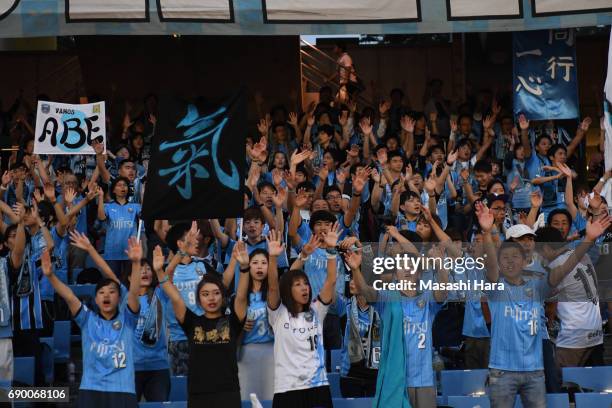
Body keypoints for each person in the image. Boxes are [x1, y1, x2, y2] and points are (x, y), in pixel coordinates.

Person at [475, 201, 611, 408]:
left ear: (524, 261)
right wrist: (487, 233)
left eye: (515, 257)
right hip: (502, 371)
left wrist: (589, 240)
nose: (510, 261)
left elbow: (565, 267)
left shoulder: (539, 284)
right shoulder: (496, 287)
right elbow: (492, 267)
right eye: (505, 258)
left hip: (534, 372)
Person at [43, 237, 143, 407]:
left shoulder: (127, 320)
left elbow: (133, 293)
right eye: (101, 292)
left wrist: (135, 263)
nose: (106, 295)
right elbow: (69, 296)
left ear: (119, 298)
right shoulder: (87, 319)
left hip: (122, 390)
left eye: (112, 292)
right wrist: (51, 276)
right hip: (91, 390)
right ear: (95, 300)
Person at [153, 237, 248, 408]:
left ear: (223, 296)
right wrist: (160, 271)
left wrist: (244, 267)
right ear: (198, 299)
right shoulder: (191, 322)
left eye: (216, 293)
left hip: (228, 393)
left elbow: (241, 296)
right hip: (198, 395)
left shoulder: (232, 321)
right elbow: (174, 295)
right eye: (205, 294)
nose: (211, 298)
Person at [266, 222, 339, 408]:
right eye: (297, 284)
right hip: (287, 389)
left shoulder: (317, 311)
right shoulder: (278, 313)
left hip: (318, 386)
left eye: (305, 283)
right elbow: (274, 285)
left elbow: (331, 280)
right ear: (288, 290)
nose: (304, 287)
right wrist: (273, 258)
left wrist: (331, 250)